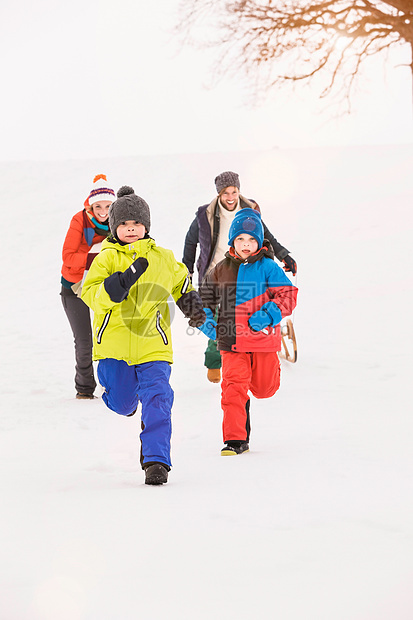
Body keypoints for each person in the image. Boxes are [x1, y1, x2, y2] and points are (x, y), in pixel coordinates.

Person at [81, 186, 211, 485]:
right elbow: (91, 295)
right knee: (124, 403)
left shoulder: (162, 258)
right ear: (114, 227)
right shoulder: (105, 258)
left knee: (158, 397)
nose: (131, 229)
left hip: (154, 345)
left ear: (146, 227)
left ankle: (156, 460)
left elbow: (181, 283)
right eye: (125, 225)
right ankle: (121, 402)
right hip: (114, 347)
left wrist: (192, 305)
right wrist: (117, 285)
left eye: (136, 224)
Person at [193, 208, 298, 456]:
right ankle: (235, 440)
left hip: (262, 342)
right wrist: (208, 323)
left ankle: (252, 388)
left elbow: (288, 295)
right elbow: (205, 299)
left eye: (252, 239)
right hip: (231, 341)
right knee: (233, 388)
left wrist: (268, 314)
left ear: (259, 241)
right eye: (240, 239)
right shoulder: (221, 269)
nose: (246, 244)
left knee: (264, 388)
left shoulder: (269, 267)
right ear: (232, 241)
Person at [182, 170, 297, 384]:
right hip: (215, 271)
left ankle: (249, 363)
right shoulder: (204, 214)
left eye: (234, 191)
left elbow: (266, 236)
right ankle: (216, 362)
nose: (230, 196)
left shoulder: (250, 211)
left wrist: (284, 255)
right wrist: (186, 269)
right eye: (225, 192)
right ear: (218, 194)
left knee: (240, 316)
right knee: (217, 319)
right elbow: (191, 242)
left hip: (247, 269)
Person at [61, 174, 115, 399]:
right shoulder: (79, 220)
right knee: (84, 342)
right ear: (90, 205)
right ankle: (84, 389)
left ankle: (112, 387)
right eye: (98, 206)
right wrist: (96, 253)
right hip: (74, 286)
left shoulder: (118, 223)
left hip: (104, 285)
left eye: (108, 206)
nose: (103, 211)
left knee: (110, 338)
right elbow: (68, 257)